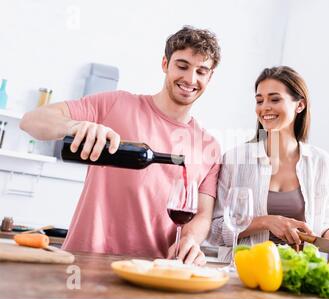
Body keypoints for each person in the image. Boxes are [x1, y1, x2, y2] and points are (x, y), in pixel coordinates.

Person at [20, 26, 222, 265]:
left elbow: (202, 215)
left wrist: (190, 240)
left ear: (210, 77)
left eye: (201, 71)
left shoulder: (209, 146)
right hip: (85, 262)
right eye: (182, 66)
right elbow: (30, 121)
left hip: (155, 271)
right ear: (165, 64)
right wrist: (74, 126)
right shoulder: (116, 104)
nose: (190, 79)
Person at [208, 66, 329, 260]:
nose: (265, 107)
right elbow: (214, 231)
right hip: (243, 272)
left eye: (275, 99)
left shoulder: (321, 162)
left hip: (298, 276)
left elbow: (321, 226)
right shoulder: (235, 160)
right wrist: (267, 222)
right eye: (259, 100)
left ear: (300, 105)